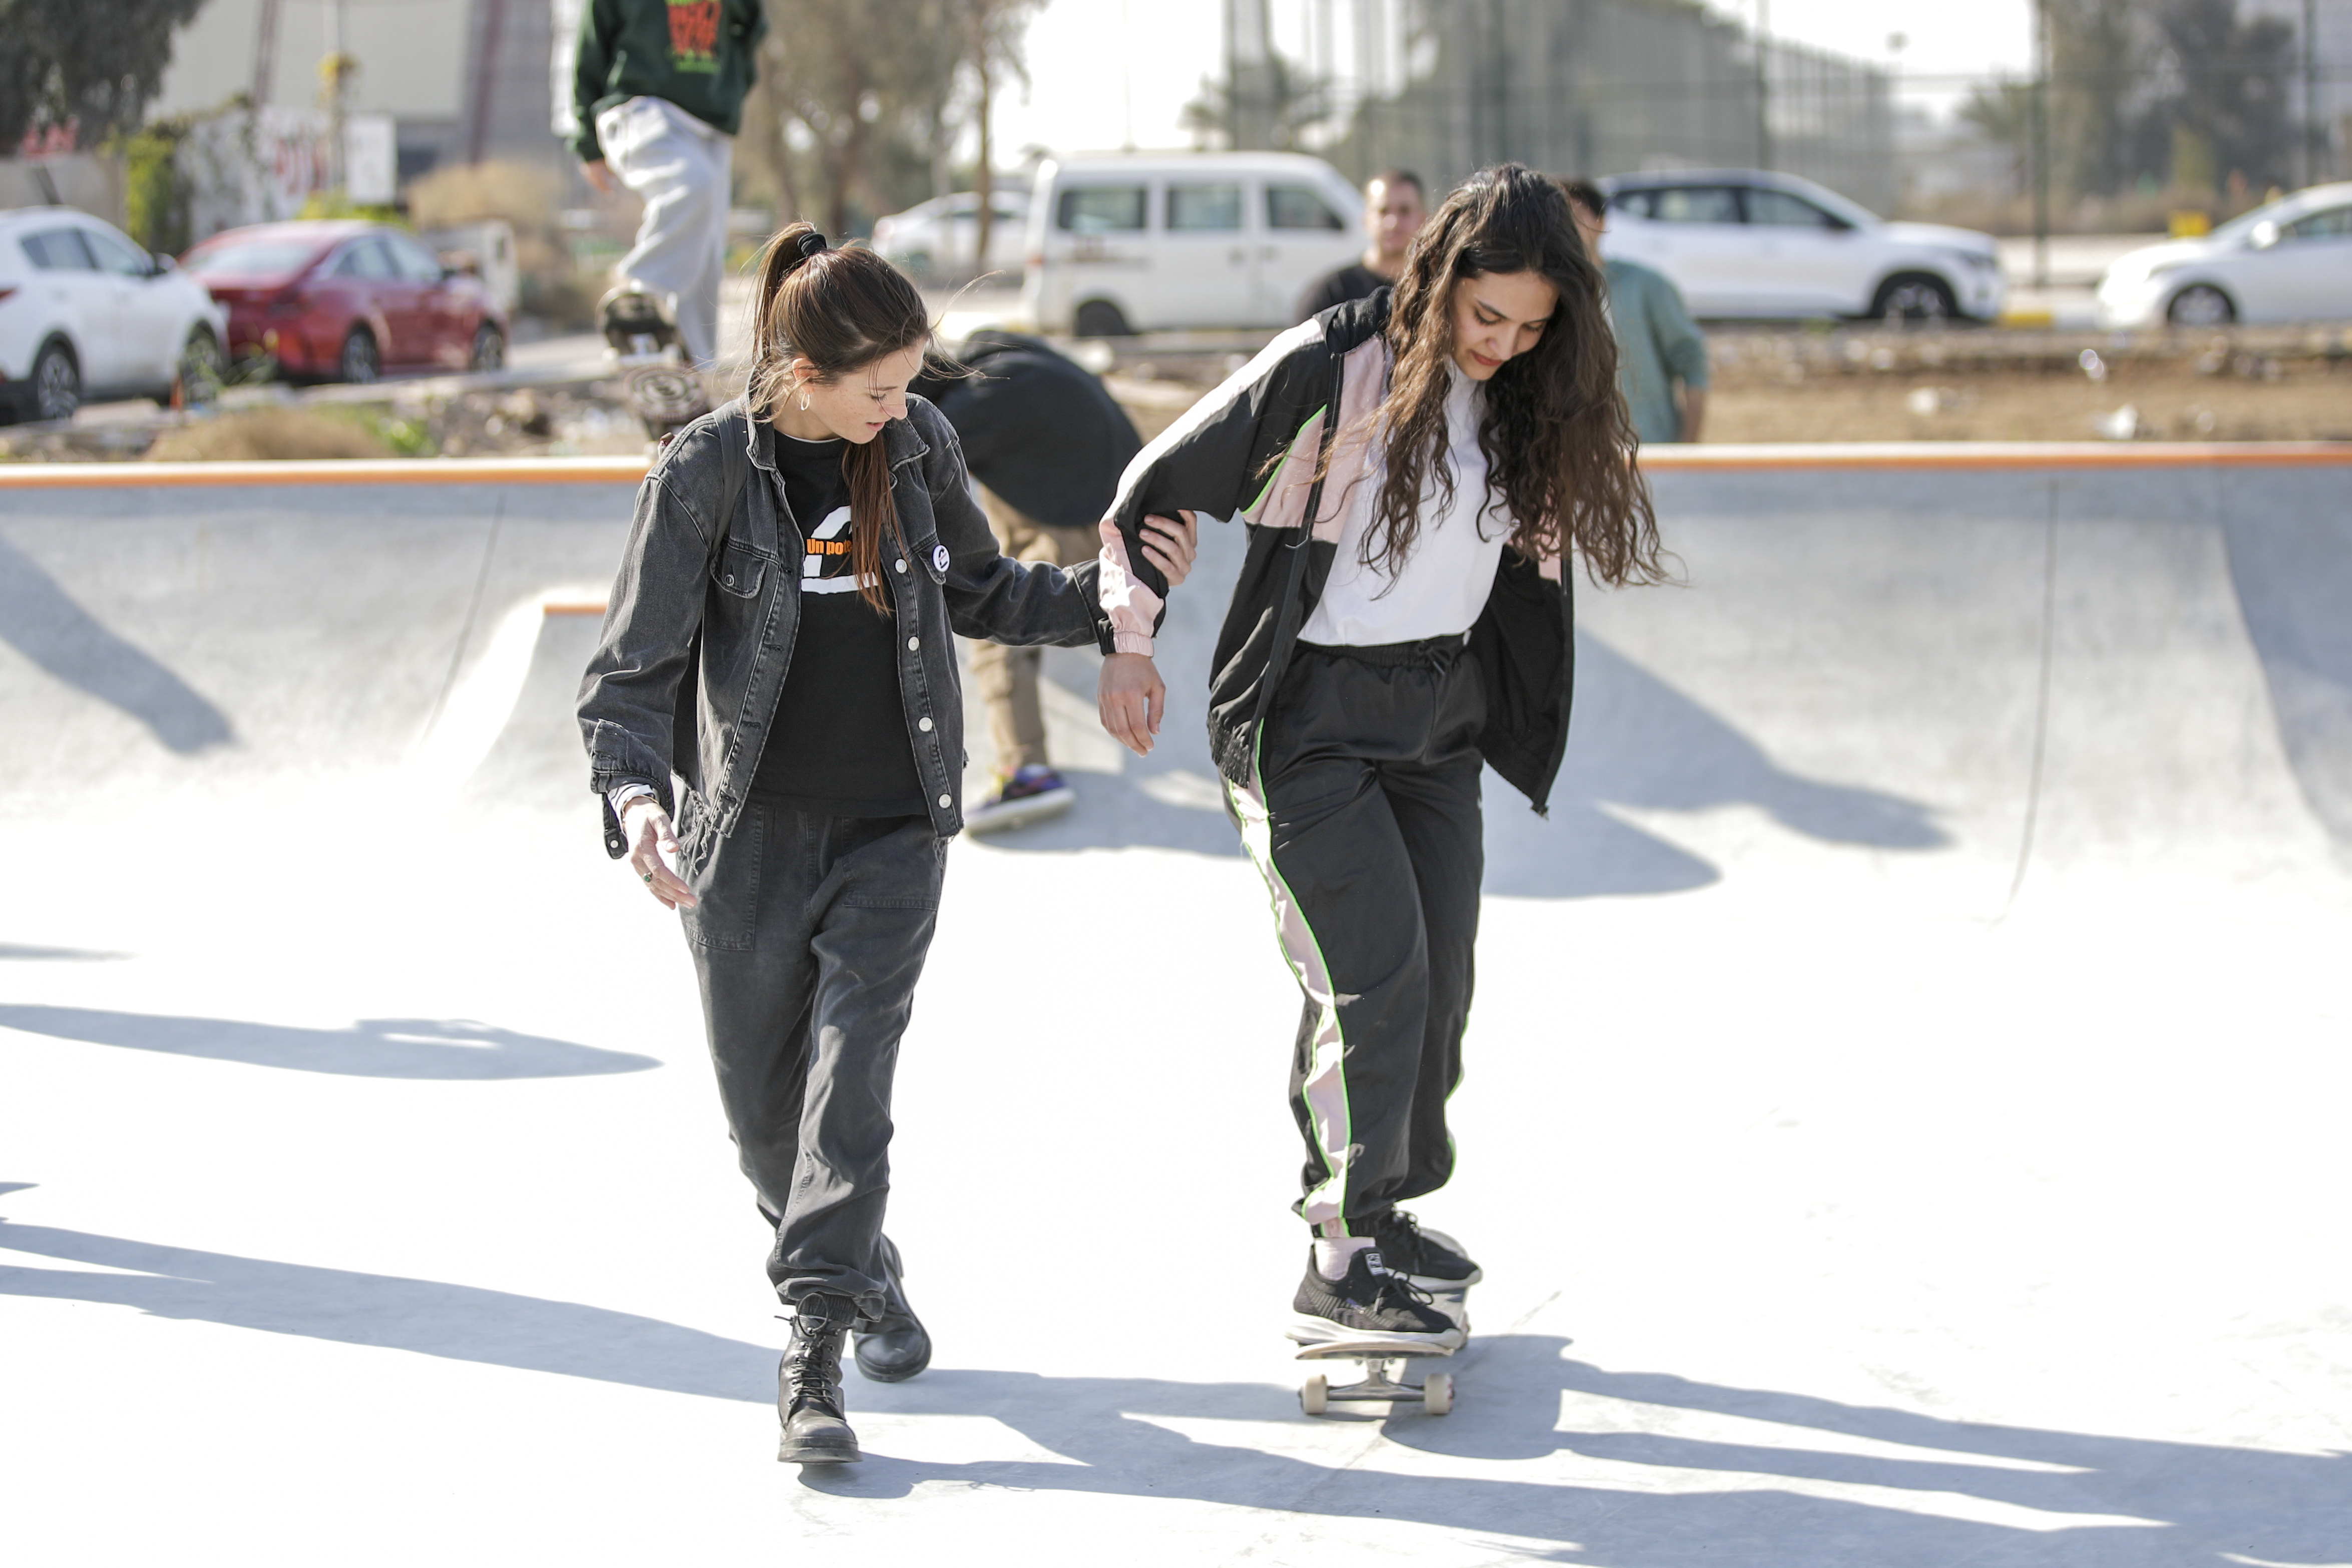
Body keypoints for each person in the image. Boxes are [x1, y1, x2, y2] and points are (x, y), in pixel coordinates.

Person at [575, 228, 1196, 1464]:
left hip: (893, 825)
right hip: (738, 839)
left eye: (909, 383)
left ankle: (811, 1352)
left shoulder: (914, 447)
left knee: (849, 1086)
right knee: (767, 1125)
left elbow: (979, 586)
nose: (900, 408)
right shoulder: (703, 472)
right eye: (877, 387)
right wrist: (637, 803)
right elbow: (630, 673)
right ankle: (864, 1270)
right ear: (800, 371)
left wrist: (1107, 602)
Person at [1094, 165, 1667, 1349]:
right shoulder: (1331, 364)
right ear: (1443, 276)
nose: (1503, 344)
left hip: (1435, 722)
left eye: (1530, 327)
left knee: (1441, 980)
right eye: (1485, 316)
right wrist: (1130, 643)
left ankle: (1386, 1205)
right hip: (1304, 722)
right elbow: (1158, 483)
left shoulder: (1525, 399)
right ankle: (1337, 1258)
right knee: (1372, 976)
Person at [909, 331, 1143, 830]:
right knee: (993, 495)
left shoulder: (973, 409)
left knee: (994, 627)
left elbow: (901, 464)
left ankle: (1028, 771)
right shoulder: (999, 350)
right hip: (1114, 497)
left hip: (1098, 530)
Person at [568, 0, 766, 367]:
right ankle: (639, 299)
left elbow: (751, 29)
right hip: (640, 108)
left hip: (711, 125)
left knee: (705, 249)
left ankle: (691, 368)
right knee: (692, 185)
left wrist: (730, 90)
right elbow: (589, 53)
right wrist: (586, 143)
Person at [1562, 177, 1709, 445]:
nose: (1567, 226)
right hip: (1573, 455)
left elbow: (1691, 361)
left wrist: (1689, 447)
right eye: (1558, 217)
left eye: (1576, 215)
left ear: (1601, 223)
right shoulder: (1542, 297)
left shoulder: (1645, 285)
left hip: (1651, 448)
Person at [1294, 169, 1428, 322]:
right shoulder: (1331, 295)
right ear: (1366, 219)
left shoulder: (1436, 291)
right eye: (1383, 211)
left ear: (1423, 220)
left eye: (1405, 211)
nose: (1393, 222)